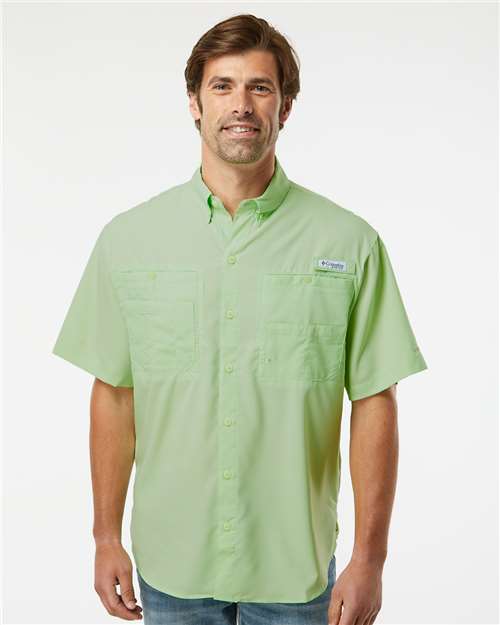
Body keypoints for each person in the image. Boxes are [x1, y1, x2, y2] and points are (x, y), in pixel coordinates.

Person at [52, 13, 428, 625]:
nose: (241, 105)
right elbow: (115, 394)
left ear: (286, 107)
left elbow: (374, 401)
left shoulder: (350, 243)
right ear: (195, 104)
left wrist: (370, 558)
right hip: (172, 563)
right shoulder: (129, 240)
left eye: (260, 87)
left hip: (295, 569)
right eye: (222, 86)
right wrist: (104, 536)